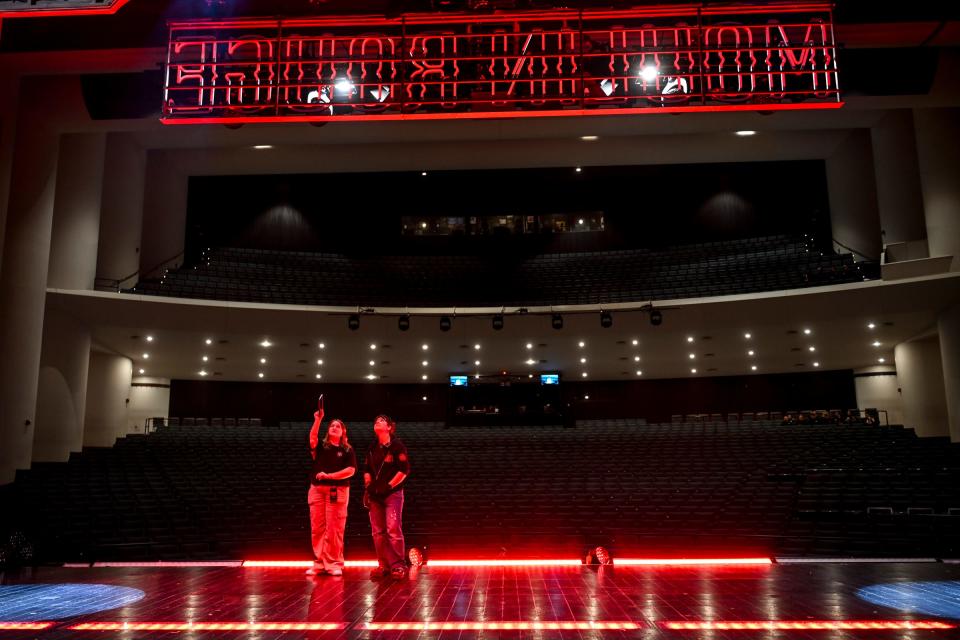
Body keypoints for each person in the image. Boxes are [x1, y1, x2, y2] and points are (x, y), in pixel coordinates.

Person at [306, 405, 356, 577]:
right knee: (317, 527)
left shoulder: (347, 449)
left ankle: (334, 563)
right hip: (317, 490)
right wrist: (318, 419)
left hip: (338, 490)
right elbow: (312, 438)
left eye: (338, 426)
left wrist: (329, 476)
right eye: (332, 425)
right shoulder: (321, 446)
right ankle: (319, 563)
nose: (334, 427)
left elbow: (351, 471)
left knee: (334, 528)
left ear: (343, 431)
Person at [364, 414, 410, 580]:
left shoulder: (397, 446)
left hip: (392, 494)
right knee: (378, 532)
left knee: (392, 529)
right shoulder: (372, 447)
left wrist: (389, 486)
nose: (377, 422)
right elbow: (367, 469)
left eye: (382, 420)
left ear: (390, 427)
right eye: (376, 420)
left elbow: (404, 471)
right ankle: (383, 565)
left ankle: (398, 566)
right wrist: (368, 486)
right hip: (375, 495)